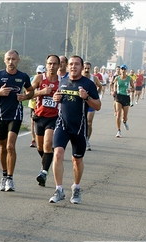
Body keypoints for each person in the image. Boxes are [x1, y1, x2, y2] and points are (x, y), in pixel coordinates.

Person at [50, 55, 101, 204]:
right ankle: (59, 189)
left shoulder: (88, 84)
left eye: (76, 64)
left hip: (79, 126)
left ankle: (76, 187)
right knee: (58, 154)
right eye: (71, 64)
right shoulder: (63, 82)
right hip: (62, 124)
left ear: (81, 66)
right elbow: (59, 100)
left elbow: (97, 106)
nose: (73, 66)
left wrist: (86, 98)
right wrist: (56, 98)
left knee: (77, 160)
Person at [0, 49, 34, 192]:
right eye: (8, 59)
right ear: (5, 60)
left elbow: (31, 91)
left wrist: (25, 96)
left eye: (14, 59)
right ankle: (4, 176)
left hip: (16, 115)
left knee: (10, 146)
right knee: (2, 147)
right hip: (0, 116)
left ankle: (10, 179)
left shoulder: (23, 76)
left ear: (18, 61)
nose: (11, 62)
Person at [30, 55, 60, 187]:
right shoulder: (39, 78)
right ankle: (46, 165)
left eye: (54, 64)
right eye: (50, 63)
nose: (52, 66)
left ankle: (43, 171)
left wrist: (59, 97)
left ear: (59, 66)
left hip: (53, 117)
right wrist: (41, 91)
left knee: (48, 144)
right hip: (39, 116)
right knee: (40, 147)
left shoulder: (62, 81)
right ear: (46, 65)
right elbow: (28, 93)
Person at [83, 62, 102, 151]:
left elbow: (100, 86)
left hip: (90, 102)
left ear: (91, 69)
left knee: (89, 122)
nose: (86, 70)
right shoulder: (79, 77)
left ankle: (87, 140)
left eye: (88, 68)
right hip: (81, 102)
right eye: (85, 68)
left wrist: (96, 95)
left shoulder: (94, 78)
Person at [112, 64, 134, 138]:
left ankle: (124, 121)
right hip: (119, 97)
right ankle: (118, 131)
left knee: (124, 116)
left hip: (126, 97)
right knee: (118, 113)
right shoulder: (117, 78)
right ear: (120, 70)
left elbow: (133, 88)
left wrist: (130, 90)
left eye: (124, 69)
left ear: (126, 70)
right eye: (122, 69)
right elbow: (114, 85)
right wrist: (114, 91)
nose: (123, 70)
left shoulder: (129, 79)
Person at [28, 65, 46, 148]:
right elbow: (27, 90)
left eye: (41, 73)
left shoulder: (46, 79)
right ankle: (33, 139)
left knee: (42, 122)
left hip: (42, 104)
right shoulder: (32, 79)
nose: (40, 74)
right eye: (38, 72)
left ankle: (43, 138)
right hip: (33, 103)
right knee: (33, 122)